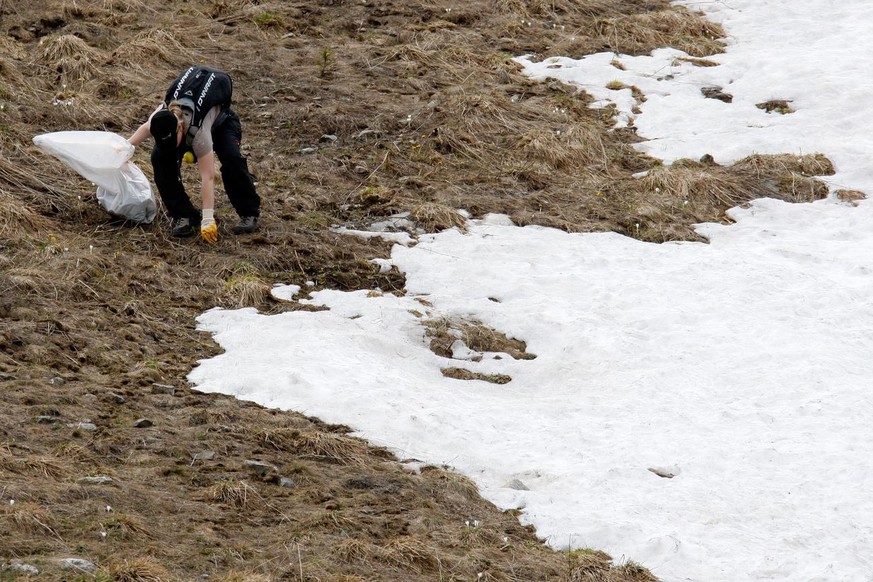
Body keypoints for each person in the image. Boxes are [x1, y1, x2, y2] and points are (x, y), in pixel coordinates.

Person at [128, 65, 260, 243]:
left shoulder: (199, 134)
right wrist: (121, 152)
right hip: (186, 132)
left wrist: (208, 219)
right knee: (159, 158)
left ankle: (248, 212)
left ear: (180, 128)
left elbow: (208, 176)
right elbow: (136, 137)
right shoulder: (161, 118)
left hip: (222, 124)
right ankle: (185, 215)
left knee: (231, 158)